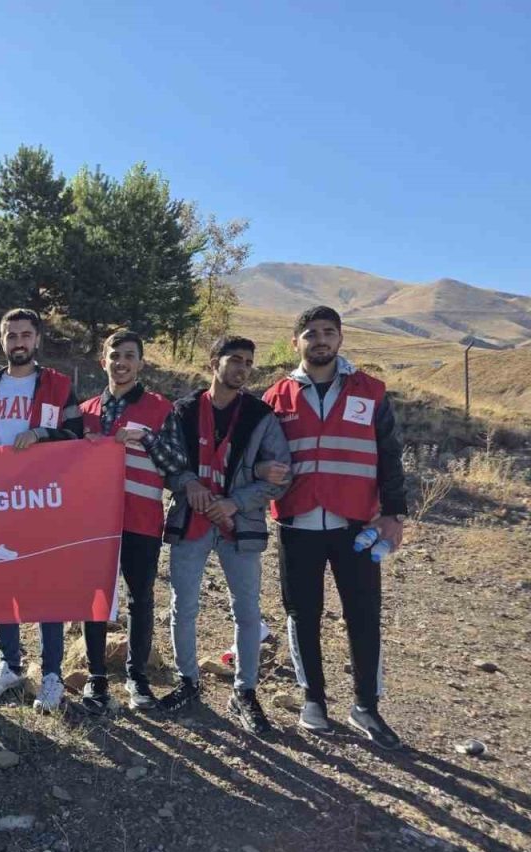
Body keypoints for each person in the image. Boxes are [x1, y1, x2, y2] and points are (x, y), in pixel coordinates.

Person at [263, 305, 408, 749]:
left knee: (363, 615)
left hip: (357, 523)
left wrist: (394, 515)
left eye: (328, 332)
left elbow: (390, 455)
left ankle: (366, 705)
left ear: (341, 339)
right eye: (310, 333)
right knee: (302, 613)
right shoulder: (276, 396)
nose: (320, 340)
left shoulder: (371, 391)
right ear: (296, 343)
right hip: (298, 520)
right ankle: (313, 700)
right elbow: (258, 457)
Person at [159, 336, 291, 736]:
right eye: (234, 360)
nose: (241, 369)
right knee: (184, 605)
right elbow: (165, 460)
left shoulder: (261, 416)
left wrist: (236, 501)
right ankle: (187, 682)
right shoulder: (182, 410)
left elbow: (282, 476)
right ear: (214, 362)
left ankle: (244, 692)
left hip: (240, 526)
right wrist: (186, 483)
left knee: (247, 610)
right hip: (192, 520)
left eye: (248, 363)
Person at [0, 308, 83, 711]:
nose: (18, 341)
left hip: (44, 503)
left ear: (37, 339)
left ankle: (51, 674)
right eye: (11, 335)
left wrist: (40, 435)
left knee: (46, 585)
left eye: (25, 334)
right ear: (2, 341)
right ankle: (11, 664)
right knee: (5, 584)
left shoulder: (58, 385)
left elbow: (76, 437)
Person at [78, 330, 184, 713]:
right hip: (94, 523)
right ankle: (95, 677)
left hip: (141, 518)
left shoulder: (160, 408)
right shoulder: (85, 410)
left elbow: (177, 463)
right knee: (95, 600)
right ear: (102, 361)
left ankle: (138, 677)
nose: (120, 362)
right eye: (114, 355)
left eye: (129, 356)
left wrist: (147, 438)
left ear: (141, 363)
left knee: (140, 599)